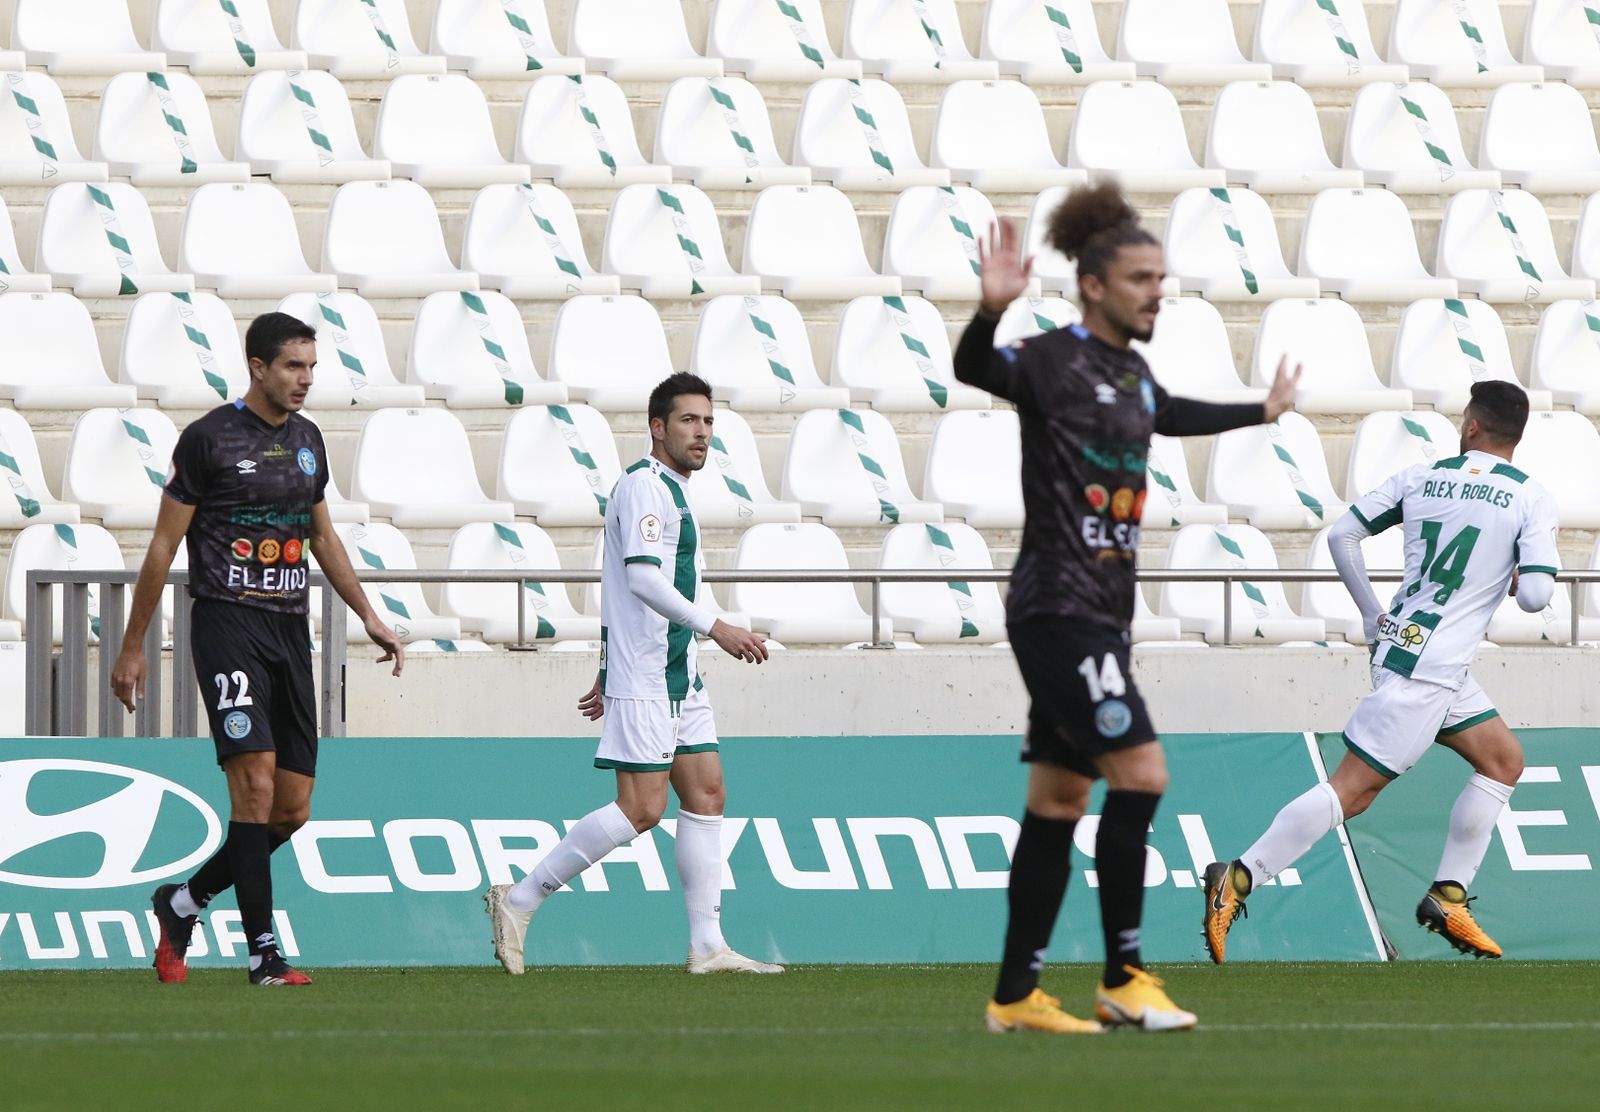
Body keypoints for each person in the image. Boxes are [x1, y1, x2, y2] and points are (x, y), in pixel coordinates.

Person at [952, 183, 1302, 1034]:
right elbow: (974, 368)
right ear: (1096, 286)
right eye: (1142, 277)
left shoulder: (1131, 372)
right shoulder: (1050, 358)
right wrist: (987, 312)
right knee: (1141, 775)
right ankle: (1124, 975)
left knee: (1059, 801)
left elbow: (1167, 413)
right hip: (1058, 606)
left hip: (1100, 612)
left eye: (1161, 276)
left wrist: (1260, 410)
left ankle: (1013, 997)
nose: (1157, 291)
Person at [1203, 380, 1555, 964]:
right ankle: (1238, 878)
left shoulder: (1422, 477)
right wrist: (1516, 568)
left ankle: (1449, 898)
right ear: (1516, 435)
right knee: (1354, 791)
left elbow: (1342, 534)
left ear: (1471, 425)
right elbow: (1539, 598)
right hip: (1433, 667)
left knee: (1502, 760)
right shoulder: (1530, 497)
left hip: (1409, 648)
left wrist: (1372, 613)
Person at [111, 312, 406, 987]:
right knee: (255, 784)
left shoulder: (307, 441)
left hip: (288, 631)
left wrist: (369, 614)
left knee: (292, 808)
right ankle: (263, 954)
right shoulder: (209, 440)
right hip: (227, 625)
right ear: (258, 367)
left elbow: (323, 537)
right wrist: (133, 647)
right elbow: (162, 546)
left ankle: (182, 903)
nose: (305, 380)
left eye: (311, 368)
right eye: (293, 367)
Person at [485, 373, 781, 976]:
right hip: (650, 674)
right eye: (688, 421)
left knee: (706, 793)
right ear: (657, 427)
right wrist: (715, 627)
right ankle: (519, 901)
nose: (701, 433)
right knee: (641, 810)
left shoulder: (670, 489)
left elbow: (614, 585)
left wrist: (604, 661)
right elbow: (642, 581)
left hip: (677, 672)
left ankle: (706, 947)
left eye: (707, 422)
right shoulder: (646, 488)